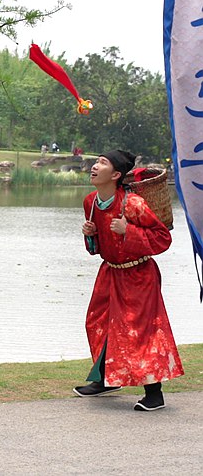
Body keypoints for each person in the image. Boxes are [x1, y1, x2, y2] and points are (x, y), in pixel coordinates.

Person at [75, 149, 183, 411]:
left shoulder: (132, 204)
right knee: (99, 322)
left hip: (139, 275)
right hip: (110, 272)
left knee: (141, 330)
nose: (94, 166)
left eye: (102, 163)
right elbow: (97, 248)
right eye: (96, 162)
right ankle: (108, 379)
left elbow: (162, 239)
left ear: (115, 175)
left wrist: (129, 230)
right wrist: (90, 235)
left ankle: (154, 394)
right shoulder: (91, 202)